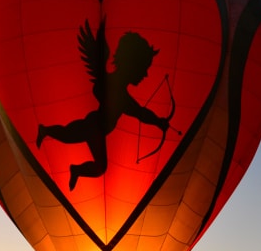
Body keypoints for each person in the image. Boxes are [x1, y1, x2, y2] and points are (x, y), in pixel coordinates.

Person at [37, 19, 172, 190]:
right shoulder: (118, 92)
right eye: (143, 68)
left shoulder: (120, 93)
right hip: (94, 127)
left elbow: (140, 112)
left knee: (74, 141)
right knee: (69, 137)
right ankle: (48, 134)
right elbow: (140, 113)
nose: (145, 74)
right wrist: (159, 122)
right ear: (132, 65)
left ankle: (69, 160)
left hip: (96, 129)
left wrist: (159, 121)